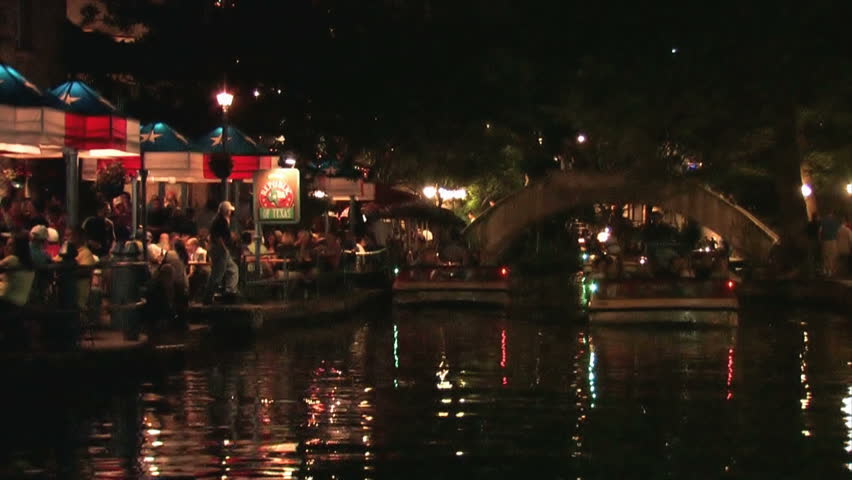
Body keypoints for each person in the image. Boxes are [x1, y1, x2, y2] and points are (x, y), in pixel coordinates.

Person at [203, 201, 239, 304]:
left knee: (233, 269)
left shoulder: (219, 220)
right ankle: (208, 297)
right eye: (230, 211)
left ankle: (230, 291)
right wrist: (224, 248)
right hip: (220, 250)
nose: (231, 213)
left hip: (219, 249)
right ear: (227, 211)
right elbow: (218, 237)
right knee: (217, 274)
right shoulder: (221, 221)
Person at [820, 211, 842, 277]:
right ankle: (830, 271)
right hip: (833, 240)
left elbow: (820, 230)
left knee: (825, 256)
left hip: (825, 240)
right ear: (832, 214)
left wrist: (820, 239)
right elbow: (838, 232)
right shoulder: (835, 222)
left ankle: (824, 270)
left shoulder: (823, 221)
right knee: (832, 256)